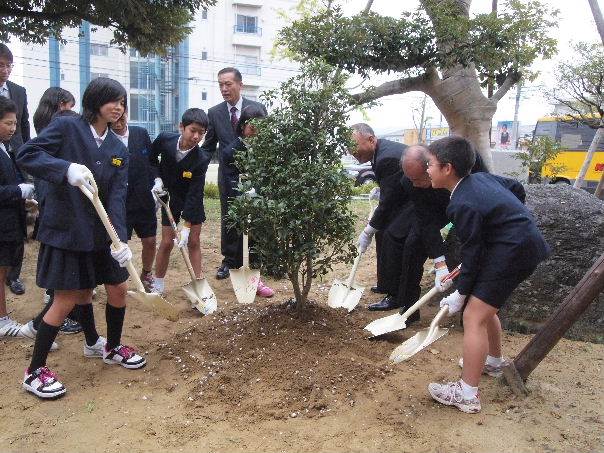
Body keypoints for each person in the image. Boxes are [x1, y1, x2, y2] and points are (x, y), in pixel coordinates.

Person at [17, 77, 145, 399]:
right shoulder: (67, 127)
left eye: (122, 102)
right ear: (95, 101)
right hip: (68, 230)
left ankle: (109, 347)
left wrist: (121, 240)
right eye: (113, 101)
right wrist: (64, 169)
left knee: (118, 288)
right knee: (69, 297)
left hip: (102, 233)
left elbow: (116, 196)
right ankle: (34, 372)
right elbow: (27, 154)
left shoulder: (118, 147)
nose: (118, 107)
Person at [424, 136, 550, 413]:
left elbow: (472, 253)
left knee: (472, 315)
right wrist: (507, 221)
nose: (427, 170)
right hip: (519, 247)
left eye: (430, 164)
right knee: (484, 308)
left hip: (512, 253)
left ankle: (467, 394)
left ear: (447, 168)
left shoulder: (461, 204)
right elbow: (516, 188)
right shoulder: (481, 180)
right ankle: (492, 362)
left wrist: (460, 292)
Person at [23, 87, 84, 335]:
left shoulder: (45, 124)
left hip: (51, 192)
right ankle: (50, 316)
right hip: (56, 193)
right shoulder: (59, 128)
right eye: (70, 105)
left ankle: (59, 307)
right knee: (60, 260)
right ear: (61, 105)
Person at [201, 67, 268, 280]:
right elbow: (208, 146)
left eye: (228, 84)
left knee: (256, 217)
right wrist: (191, 165)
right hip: (228, 175)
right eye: (220, 84)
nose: (224, 88)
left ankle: (255, 259)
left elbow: (267, 141)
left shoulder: (257, 108)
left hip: (254, 175)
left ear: (240, 84)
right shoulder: (214, 113)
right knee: (229, 219)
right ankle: (230, 261)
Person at [349, 123, 414, 311]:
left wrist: (368, 229)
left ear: (371, 139)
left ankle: (395, 295)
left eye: (355, 146)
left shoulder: (387, 157)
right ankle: (386, 283)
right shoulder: (380, 152)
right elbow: (391, 188)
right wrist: (382, 188)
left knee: (393, 236)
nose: (353, 152)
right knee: (382, 232)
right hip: (402, 199)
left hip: (416, 202)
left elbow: (387, 203)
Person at [149, 108, 210, 296]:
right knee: (166, 242)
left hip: (191, 200)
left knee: (193, 241)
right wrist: (157, 179)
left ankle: (198, 284)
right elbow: (151, 159)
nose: (196, 136)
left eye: (201, 133)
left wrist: (187, 225)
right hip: (170, 199)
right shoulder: (164, 140)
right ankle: (157, 283)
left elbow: (195, 193)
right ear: (181, 127)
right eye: (193, 130)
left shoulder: (201, 158)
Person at [219, 104, 275, 297]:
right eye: (253, 128)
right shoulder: (230, 152)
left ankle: (256, 279)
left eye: (260, 128)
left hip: (259, 203)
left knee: (256, 242)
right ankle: (239, 278)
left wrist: (260, 193)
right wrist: (244, 193)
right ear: (243, 126)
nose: (256, 133)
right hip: (239, 204)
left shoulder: (266, 150)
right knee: (238, 242)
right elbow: (230, 180)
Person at [111, 111, 157, 292]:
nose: (118, 122)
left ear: (127, 114)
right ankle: (118, 279)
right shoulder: (105, 139)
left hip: (144, 199)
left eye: (121, 117)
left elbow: (153, 162)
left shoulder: (140, 134)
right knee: (120, 244)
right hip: (119, 203)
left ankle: (146, 274)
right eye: (114, 119)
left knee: (151, 240)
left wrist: (156, 181)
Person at [0, 97, 34, 338]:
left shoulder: (6, 148)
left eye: (14, 123)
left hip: (10, 219)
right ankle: (2, 320)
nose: (13, 128)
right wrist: (18, 191)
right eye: (7, 123)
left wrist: (25, 199)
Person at [0, 43, 31, 296]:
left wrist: (24, 152)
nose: (6, 70)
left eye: (9, 65)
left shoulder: (18, 92)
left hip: (14, 153)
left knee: (18, 217)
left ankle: (15, 275)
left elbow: (23, 125)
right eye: (1, 65)